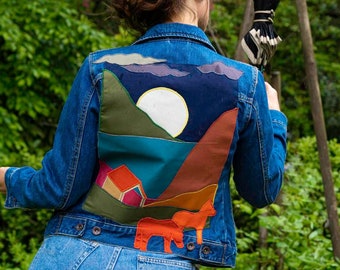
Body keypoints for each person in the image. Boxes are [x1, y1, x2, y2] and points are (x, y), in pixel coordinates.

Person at [0, 0, 287, 268]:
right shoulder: (243, 82)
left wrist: (6, 177)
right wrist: (273, 115)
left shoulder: (100, 68)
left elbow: (57, 187)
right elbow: (261, 190)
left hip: (73, 253)